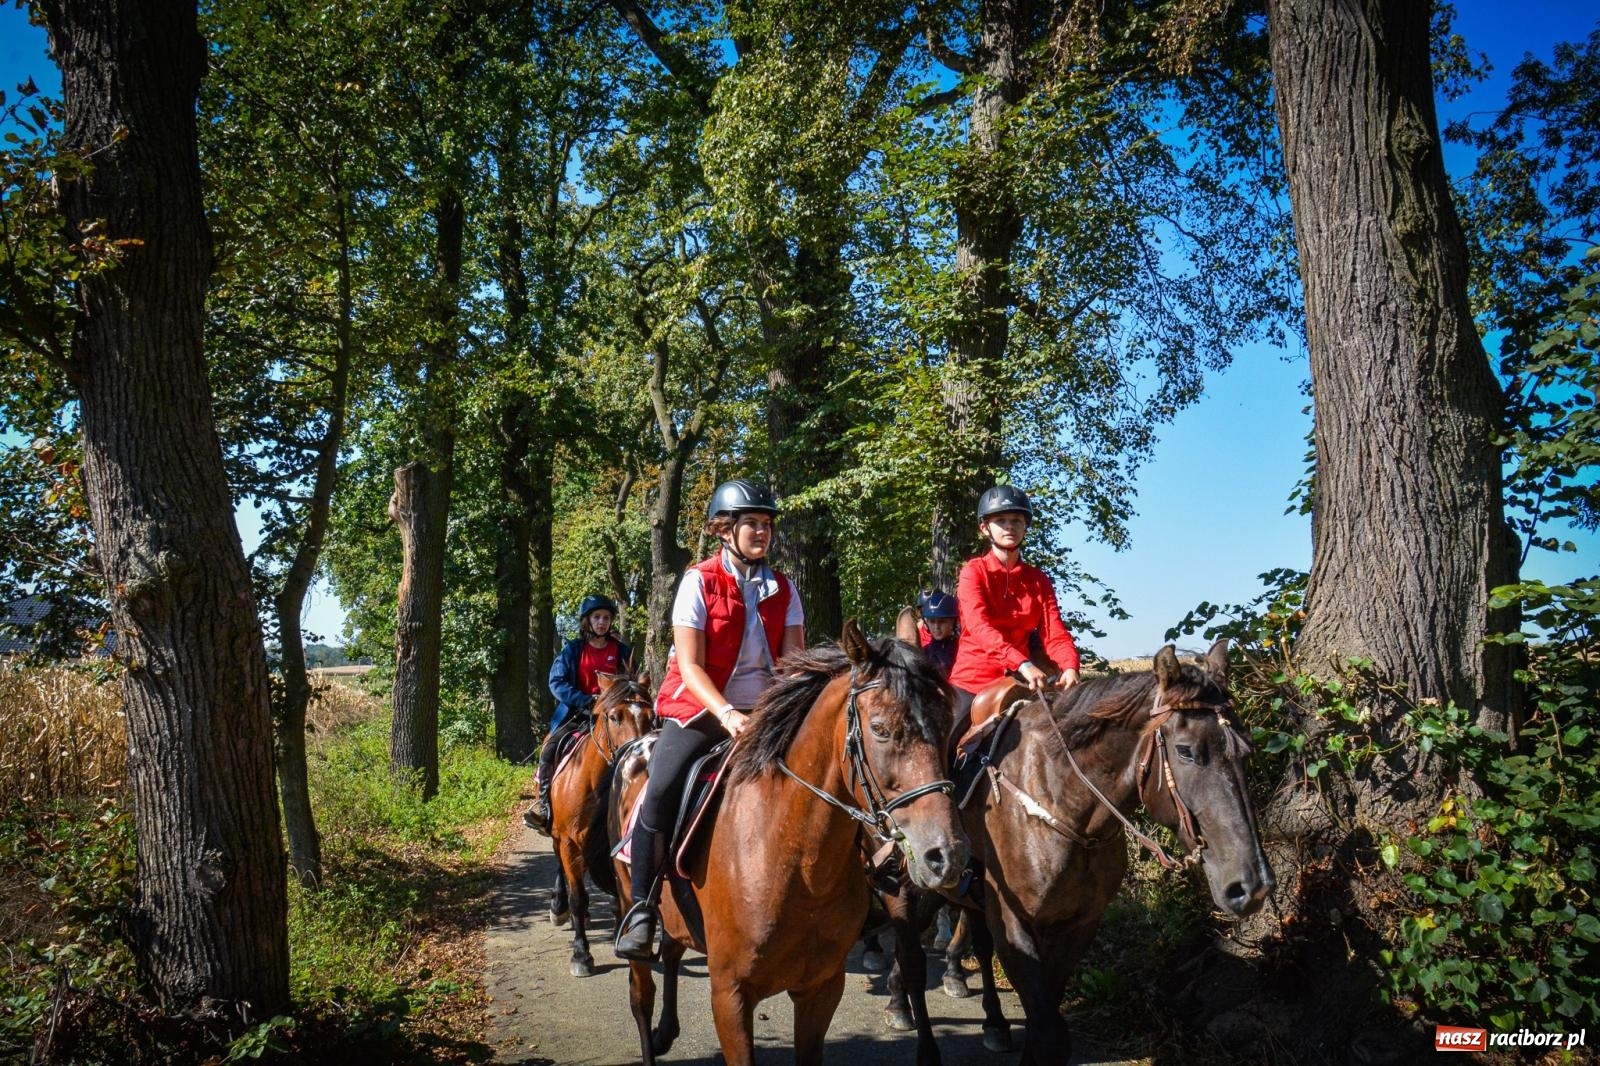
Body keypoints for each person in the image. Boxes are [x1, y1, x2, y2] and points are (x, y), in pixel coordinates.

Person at [613, 479, 805, 959]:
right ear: (726, 530)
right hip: (699, 707)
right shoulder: (698, 580)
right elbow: (691, 665)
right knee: (661, 786)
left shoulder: (783, 588)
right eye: (752, 524)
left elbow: (794, 661)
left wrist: (785, 710)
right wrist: (726, 713)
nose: (762, 533)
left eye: (767, 525)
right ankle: (640, 909)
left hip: (767, 711)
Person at [947, 485, 1082, 743]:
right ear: (985, 527)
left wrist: (1069, 666)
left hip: (1022, 684)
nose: (1010, 526)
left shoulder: (1038, 580)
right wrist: (1023, 663)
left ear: (1025, 526)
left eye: (1017, 521)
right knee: (941, 748)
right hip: (972, 685)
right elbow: (979, 627)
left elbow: (1054, 632)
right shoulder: (973, 573)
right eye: (1001, 520)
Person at [523, 594, 633, 834]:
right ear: (588, 621)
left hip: (614, 717)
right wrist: (584, 700)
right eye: (597, 617)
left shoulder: (622, 651)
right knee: (550, 748)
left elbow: (632, 683)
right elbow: (557, 682)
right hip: (578, 714)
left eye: (606, 617)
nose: (602, 622)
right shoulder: (573, 650)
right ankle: (544, 808)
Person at [915, 588, 959, 680]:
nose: (936, 627)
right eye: (932, 621)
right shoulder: (923, 652)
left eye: (942, 621)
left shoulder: (961, 648)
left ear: (954, 621)